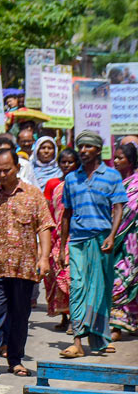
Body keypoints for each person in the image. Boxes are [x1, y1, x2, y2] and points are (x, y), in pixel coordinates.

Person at [0, 148, 53, 378]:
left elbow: (44, 226)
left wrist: (44, 257)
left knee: (19, 316)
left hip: (24, 268)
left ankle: (16, 360)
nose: (2, 174)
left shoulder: (33, 195)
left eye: (6, 170)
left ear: (17, 168)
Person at [59, 130, 129, 358]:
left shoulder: (111, 176)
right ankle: (77, 341)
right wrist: (62, 247)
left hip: (102, 241)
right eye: (81, 147)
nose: (83, 151)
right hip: (78, 241)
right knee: (77, 289)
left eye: (88, 147)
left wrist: (112, 235)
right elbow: (66, 214)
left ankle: (98, 337)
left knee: (99, 291)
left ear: (98, 150)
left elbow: (118, 207)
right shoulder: (71, 178)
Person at [45, 149, 80, 332]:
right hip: (57, 237)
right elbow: (51, 211)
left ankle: (76, 318)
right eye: (63, 162)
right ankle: (65, 316)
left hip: (74, 237)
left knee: (70, 278)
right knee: (56, 277)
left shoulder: (81, 184)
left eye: (70, 162)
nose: (66, 166)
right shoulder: (54, 185)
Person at [110, 142, 138, 341]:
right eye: (115, 157)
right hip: (114, 240)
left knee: (129, 280)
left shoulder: (136, 184)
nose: (116, 161)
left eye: (121, 157)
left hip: (132, 242)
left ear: (131, 160)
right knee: (116, 280)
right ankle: (116, 325)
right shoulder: (113, 182)